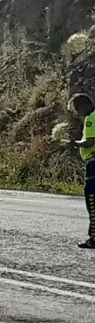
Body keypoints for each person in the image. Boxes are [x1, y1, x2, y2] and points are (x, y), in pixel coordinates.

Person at [67, 93, 95, 248]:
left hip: (94, 163)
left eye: (77, 109)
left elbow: (89, 142)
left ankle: (94, 238)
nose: (77, 113)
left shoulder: (91, 118)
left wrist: (75, 143)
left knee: (92, 201)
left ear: (84, 106)